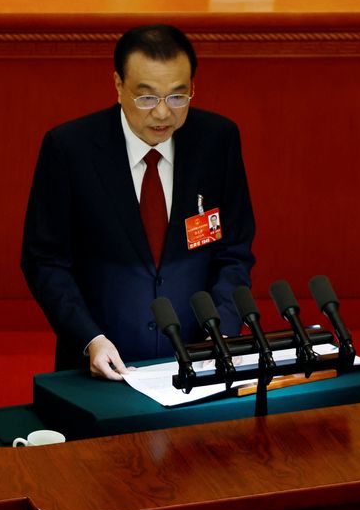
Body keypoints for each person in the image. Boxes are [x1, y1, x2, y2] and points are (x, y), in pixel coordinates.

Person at [21, 24, 255, 381]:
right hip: (101, 365)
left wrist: (221, 331)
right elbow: (44, 260)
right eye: (146, 98)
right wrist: (89, 339)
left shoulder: (218, 141)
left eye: (178, 96)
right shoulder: (70, 149)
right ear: (118, 86)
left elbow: (233, 249)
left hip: (199, 362)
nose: (163, 114)